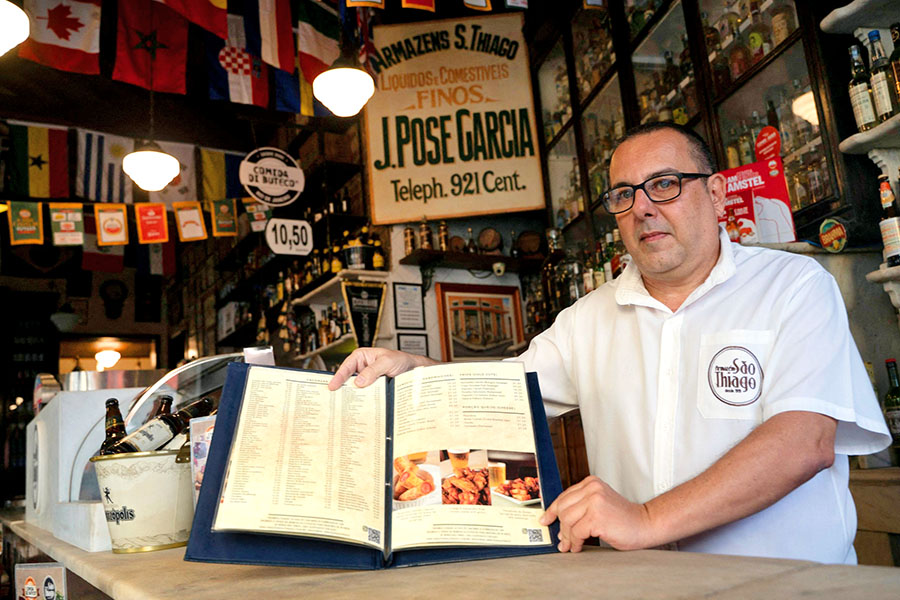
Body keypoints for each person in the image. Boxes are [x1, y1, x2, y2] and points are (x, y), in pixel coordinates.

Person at [328, 122, 890, 564]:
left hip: (784, 588)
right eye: (624, 195)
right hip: (642, 587)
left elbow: (804, 441)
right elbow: (497, 395)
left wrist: (644, 519)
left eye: (666, 184)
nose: (643, 206)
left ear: (718, 194)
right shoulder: (587, 319)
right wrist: (412, 372)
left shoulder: (792, 286)